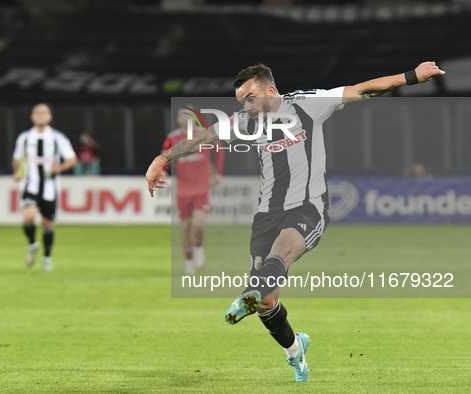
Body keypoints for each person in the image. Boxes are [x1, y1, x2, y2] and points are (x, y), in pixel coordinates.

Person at [146, 62, 444, 382]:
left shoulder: (307, 104)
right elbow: (201, 137)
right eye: (241, 101)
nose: (245, 106)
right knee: (267, 302)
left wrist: (411, 77)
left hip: (307, 208)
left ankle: (251, 292)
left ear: (270, 91)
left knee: (281, 252)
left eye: (250, 97)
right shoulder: (246, 122)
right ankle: (294, 350)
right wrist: (161, 159)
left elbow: (362, 89)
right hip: (266, 215)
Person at [12, 103, 78, 272]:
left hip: (50, 186)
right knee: (28, 216)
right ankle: (33, 244)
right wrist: (17, 171)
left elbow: (72, 159)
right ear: (32, 117)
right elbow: (17, 157)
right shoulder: (25, 138)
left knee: (47, 224)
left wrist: (60, 167)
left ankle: (47, 258)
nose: (40, 115)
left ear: (50, 117)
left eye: (44, 112)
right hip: (30, 184)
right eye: (37, 112)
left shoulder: (58, 138)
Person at [162, 106, 225, 275]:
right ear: (178, 119)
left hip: (202, 186)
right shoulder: (172, 138)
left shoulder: (204, 134)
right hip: (183, 189)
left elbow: (219, 151)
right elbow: (163, 159)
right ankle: (189, 262)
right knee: (185, 227)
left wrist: (218, 172)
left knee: (198, 224)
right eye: (181, 115)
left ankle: (198, 248)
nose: (185, 118)